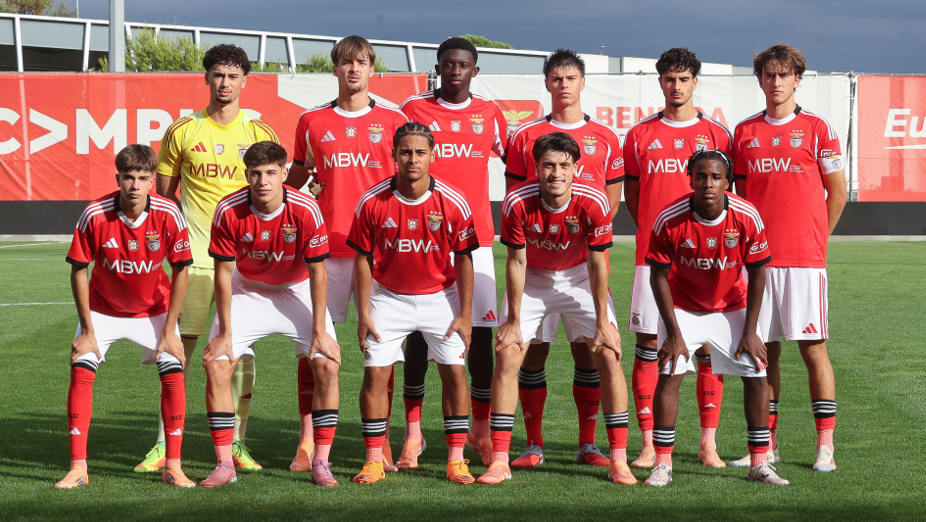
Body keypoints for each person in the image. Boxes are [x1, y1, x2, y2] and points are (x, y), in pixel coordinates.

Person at [478, 132, 635, 486]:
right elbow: (516, 262)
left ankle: (618, 459)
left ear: (576, 168)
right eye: (548, 165)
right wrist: (515, 321)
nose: (556, 173)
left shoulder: (593, 200)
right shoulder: (517, 200)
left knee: (608, 354)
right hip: (533, 278)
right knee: (507, 354)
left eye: (565, 165)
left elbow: (597, 265)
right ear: (536, 167)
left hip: (578, 277)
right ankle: (502, 458)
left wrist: (602, 323)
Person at [154, 44, 279, 472]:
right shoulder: (183, 130)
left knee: (239, 353)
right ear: (206, 78)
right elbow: (164, 201)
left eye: (233, 75)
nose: (224, 83)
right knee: (176, 350)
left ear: (245, 80)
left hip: (243, 268)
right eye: (217, 75)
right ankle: (162, 444)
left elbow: (275, 197)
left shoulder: (262, 133)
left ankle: (237, 442)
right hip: (192, 262)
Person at [287, 35, 408, 472]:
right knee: (313, 346)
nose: (353, 69)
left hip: (379, 253)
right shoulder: (312, 121)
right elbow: (296, 179)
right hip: (325, 250)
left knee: (382, 348)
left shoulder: (395, 120)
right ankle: (306, 440)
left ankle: (383, 443)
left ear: (372, 69)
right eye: (345, 62)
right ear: (334, 69)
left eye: (361, 62)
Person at [503, 49, 624, 468]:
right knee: (530, 353)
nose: (564, 85)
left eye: (571, 77)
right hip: (535, 266)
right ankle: (532, 444)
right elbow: (517, 197)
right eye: (556, 78)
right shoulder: (524, 136)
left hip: (578, 265)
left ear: (582, 82)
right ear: (547, 83)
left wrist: (577, 232)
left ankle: (588, 444)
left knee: (589, 352)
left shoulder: (606, 137)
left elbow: (608, 202)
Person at [730, 44, 846, 471]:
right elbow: (738, 198)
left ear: (798, 79)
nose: (776, 82)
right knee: (763, 353)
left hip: (803, 262)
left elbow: (837, 193)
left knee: (814, 350)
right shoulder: (744, 133)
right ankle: (768, 445)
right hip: (758, 264)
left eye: (784, 75)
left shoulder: (818, 129)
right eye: (769, 75)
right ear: (760, 79)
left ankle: (825, 447)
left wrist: (818, 239)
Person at [199, 141, 341, 488]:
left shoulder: (306, 208)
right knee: (218, 362)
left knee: (326, 362)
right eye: (256, 173)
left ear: (284, 173)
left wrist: (320, 331)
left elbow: (319, 272)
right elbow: (223, 273)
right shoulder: (229, 209)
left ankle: (321, 460)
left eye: (271, 173)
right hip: (248, 288)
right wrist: (224, 333)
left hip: (297, 288)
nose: (263, 181)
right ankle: (223, 463)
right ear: (247, 175)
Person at [642, 149, 788, 487]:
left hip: (731, 305)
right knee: (670, 373)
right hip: (683, 306)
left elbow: (758, 274)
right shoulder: (670, 218)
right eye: (701, 176)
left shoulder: (746, 215)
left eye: (716, 177)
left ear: (728, 181)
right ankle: (663, 465)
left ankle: (759, 463)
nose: (708, 183)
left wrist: (751, 331)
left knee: (756, 375)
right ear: (690, 178)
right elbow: (658, 276)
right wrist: (674, 333)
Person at [397, 36, 507, 467]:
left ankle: (479, 428)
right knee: (418, 337)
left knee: (479, 335)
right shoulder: (413, 109)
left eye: (463, 65)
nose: (455, 70)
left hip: (475, 240)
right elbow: (392, 160)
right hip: (422, 237)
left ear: (474, 71)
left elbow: (516, 164)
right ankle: (413, 433)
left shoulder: (490, 113)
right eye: (448, 64)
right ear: (438, 67)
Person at [56, 145, 195, 489]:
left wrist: (170, 330)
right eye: (128, 177)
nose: (135, 185)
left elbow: (181, 271)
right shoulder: (95, 213)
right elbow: (78, 271)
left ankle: (174, 465)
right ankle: (78, 468)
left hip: (155, 311)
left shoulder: (168, 213)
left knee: (173, 370)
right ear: (117, 177)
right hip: (103, 310)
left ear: (152, 181)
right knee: (80, 368)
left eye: (143, 178)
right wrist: (87, 329)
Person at [348, 122, 479, 485]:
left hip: (441, 298)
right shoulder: (372, 201)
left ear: (432, 156)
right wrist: (362, 312)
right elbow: (362, 258)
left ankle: (456, 459)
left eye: (420, 152)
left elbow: (464, 259)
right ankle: (374, 458)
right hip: (387, 298)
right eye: (405, 151)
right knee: (375, 373)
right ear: (393, 155)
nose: (412, 158)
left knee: (454, 372)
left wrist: (465, 315)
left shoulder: (452, 201)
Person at [622, 48, 732, 469]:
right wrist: (657, 231)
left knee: (707, 347)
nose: (676, 86)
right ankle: (649, 442)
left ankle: (708, 444)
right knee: (649, 344)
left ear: (695, 82)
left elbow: (727, 195)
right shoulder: (639, 136)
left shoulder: (718, 135)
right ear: (660, 82)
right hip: (656, 260)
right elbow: (634, 196)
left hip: (707, 260)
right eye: (669, 78)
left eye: (683, 79)